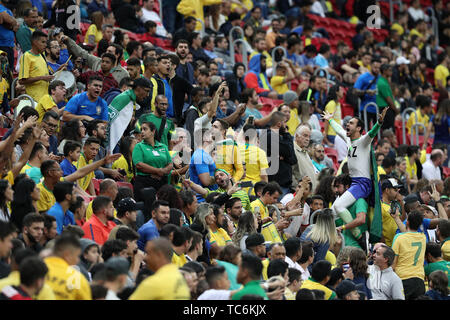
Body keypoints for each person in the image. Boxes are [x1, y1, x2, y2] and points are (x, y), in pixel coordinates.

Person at [322, 106, 388, 243]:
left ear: (358, 128)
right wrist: (330, 120)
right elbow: (339, 130)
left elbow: (373, 132)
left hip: (362, 184)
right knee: (333, 212)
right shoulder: (348, 140)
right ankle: (334, 238)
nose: (347, 124)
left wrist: (379, 123)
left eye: (351, 123)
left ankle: (359, 236)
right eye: (348, 123)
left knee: (338, 207)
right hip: (354, 183)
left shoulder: (364, 141)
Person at [392, 210, 427, 300]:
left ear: (407, 222)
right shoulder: (423, 237)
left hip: (403, 280)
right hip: (419, 280)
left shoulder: (399, 238)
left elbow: (393, 264)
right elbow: (408, 233)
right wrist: (396, 218)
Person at [44, 235, 92, 300]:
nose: (78, 260)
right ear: (67, 255)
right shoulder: (76, 278)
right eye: (77, 256)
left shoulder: (36, 268)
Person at [132, 121, 172, 193]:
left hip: (162, 182)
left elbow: (170, 164)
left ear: (153, 132)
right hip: (144, 183)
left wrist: (163, 171)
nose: (142, 132)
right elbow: (139, 164)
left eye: (145, 129)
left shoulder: (163, 146)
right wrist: (158, 171)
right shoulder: (139, 146)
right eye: (141, 130)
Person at [19, 30, 54, 102]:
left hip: (45, 99)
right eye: (43, 42)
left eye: (46, 42)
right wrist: (42, 78)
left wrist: (60, 69)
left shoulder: (42, 55)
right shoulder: (26, 56)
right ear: (34, 42)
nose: (45, 45)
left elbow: (46, 76)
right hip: (33, 100)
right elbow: (21, 81)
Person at [353, 57, 381, 127]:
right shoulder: (363, 77)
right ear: (371, 66)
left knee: (378, 133)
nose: (377, 69)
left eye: (378, 68)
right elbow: (355, 91)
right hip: (366, 108)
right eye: (375, 67)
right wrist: (366, 92)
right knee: (366, 132)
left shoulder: (381, 78)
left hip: (378, 110)